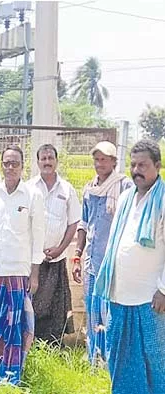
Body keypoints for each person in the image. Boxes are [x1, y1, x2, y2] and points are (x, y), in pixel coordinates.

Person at [93, 139, 165, 394]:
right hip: (119, 296)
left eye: (143, 165)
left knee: (154, 362)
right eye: (133, 165)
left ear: (157, 166)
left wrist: (164, 290)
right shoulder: (125, 197)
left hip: (150, 300)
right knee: (120, 359)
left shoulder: (163, 199)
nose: (137, 170)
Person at [0, 144, 45, 384]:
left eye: (15, 163)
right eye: (6, 163)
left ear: (22, 166)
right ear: (1, 165)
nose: (10, 167)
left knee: (15, 325)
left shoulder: (32, 195)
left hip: (19, 270)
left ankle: (12, 374)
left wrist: (35, 273)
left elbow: (38, 236)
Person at [72, 141, 132, 364]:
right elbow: (84, 224)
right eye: (96, 159)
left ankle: (111, 357)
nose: (99, 164)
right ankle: (93, 356)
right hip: (91, 260)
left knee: (111, 310)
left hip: (114, 262)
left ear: (114, 162)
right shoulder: (89, 188)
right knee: (92, 308)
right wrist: (77, 255)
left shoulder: (124, 186)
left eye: (104, 159)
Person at [28, 144, 80, 342]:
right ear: (38, 162)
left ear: (56, 161)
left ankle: (52, 346)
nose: (47, 162)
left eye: (51, 158)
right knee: (33, 304)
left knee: (56, 308)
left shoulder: (67, 190)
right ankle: (31, 345)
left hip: (57, 259)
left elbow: (73, 222)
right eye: (43, 158)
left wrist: (60, 248)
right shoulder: (29, 188)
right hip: (33, 260)